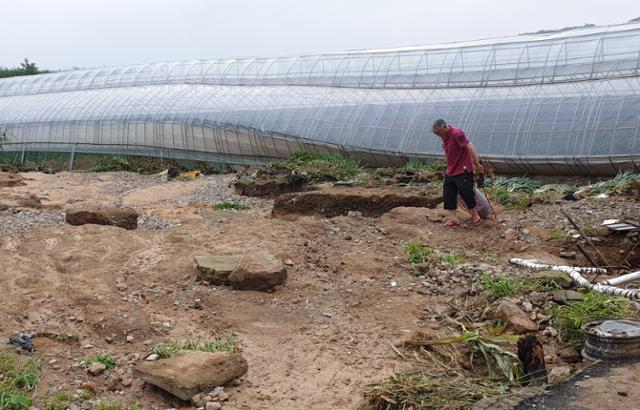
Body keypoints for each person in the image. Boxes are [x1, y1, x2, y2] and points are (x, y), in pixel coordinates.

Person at [432, 119, 483, 227]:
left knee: (466, 192)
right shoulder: (445, 138)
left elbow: (469, 146)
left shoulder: (456, 133)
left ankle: (474, 214)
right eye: (437, 134)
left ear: (444, 127)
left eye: (439, 133)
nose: (438, 136)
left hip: (462, 169)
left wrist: (477, 163)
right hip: (451, 170)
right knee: (448, 194)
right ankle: (453, 218)